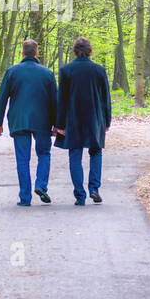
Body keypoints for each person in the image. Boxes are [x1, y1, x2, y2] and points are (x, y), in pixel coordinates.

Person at [0, 39, 58, 206]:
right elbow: (54, 101)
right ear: (36, 54)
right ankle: (41, 185)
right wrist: (57, 124)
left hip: (19, 120)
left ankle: (25, 197)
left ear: (22, 54)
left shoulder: (12, 72)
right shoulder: (47, 73)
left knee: (23, 159)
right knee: (44, 154)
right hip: (43, 122)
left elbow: (2, 98)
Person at [55, 36, 111, 205]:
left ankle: (80, 194)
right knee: (95, 151)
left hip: (73, 118)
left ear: (74, 50)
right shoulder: (99, 70)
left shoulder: (66, 71)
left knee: (75, 154)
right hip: (95, 118)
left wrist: (59, 124)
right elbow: (105, 98)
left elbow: (62, 99)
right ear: (89, 51)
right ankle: (94, 188)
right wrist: (107, 120)